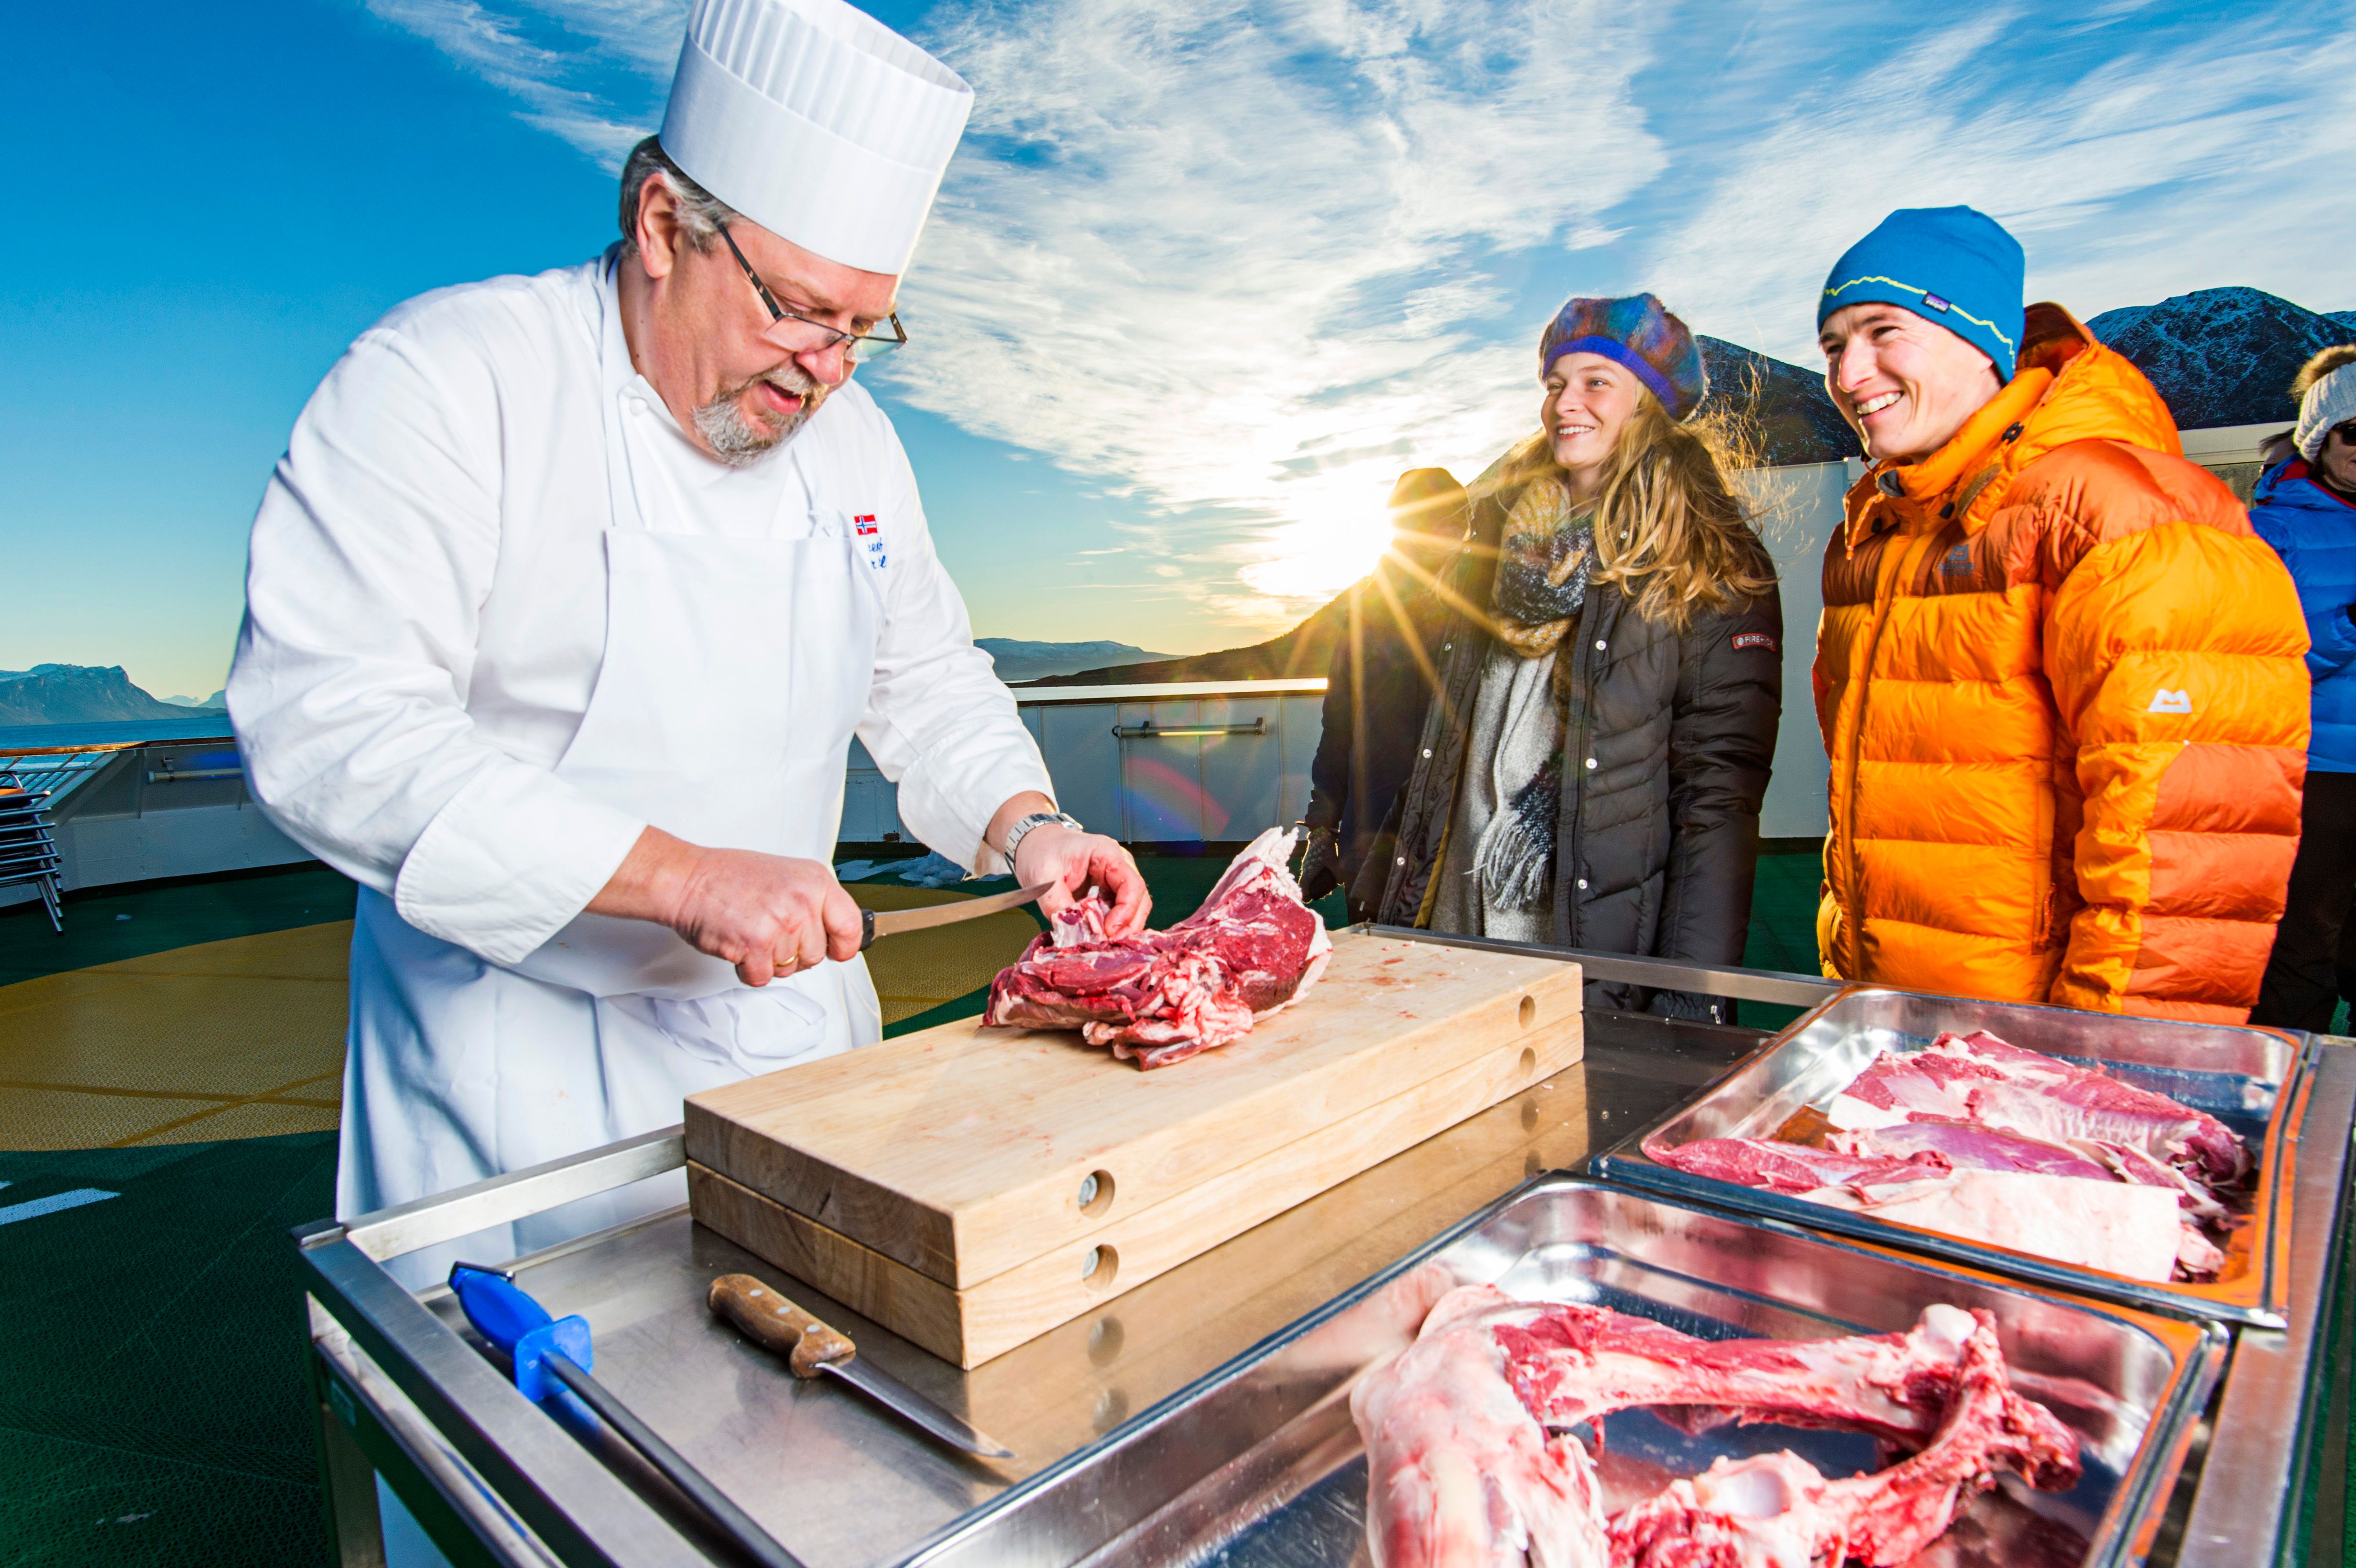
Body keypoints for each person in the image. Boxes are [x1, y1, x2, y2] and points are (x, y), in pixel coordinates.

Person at [228, 0, 1148, 1258]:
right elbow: (330, 731)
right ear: (663, 226)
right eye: (799, 310)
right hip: (514, 1073)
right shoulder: (449, 382)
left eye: (864, 328)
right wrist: (684, 878)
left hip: (787, 1038)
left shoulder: (855, 443)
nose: (828, 368)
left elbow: (926, 676)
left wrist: (1032, 827)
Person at [1811, 206, 2308, 1022]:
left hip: (2040, 1042)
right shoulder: (1879, 530)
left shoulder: (2122, 515)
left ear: (1980, 340)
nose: (1849, 373)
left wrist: (2106, 1058)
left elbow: (2184, 856)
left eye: (1882, 331)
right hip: (1901, 1018)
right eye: (1832, 347)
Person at [1368, 294, 1784, 1021]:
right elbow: (1446, 738)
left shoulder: (1707, 558)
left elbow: (1715, 800)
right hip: (1456, 921)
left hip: (1587, 940)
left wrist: (1691, 999)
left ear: (1648, 403)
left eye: (1597, 382)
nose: (1566, 403)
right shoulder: (1493, 538)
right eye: (1555, 383)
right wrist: (1392, 899)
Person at [1300, 468, 1467, 919]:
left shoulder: (1476, 610)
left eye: (1458, 520)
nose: (1448, 533)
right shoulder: (1367, 614)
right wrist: (1322, 830)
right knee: (1378, 949)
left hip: (1454, 833)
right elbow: (1339, 727)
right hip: (1372, 831)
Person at [2251, 345, 2356, 1030]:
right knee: (2304, 939)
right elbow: (2257, 656)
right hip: (2320, 771)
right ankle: (2290, 1075)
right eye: (2354, 432)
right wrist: (2349, 628)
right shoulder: (2271, 528)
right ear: (2319, 437)